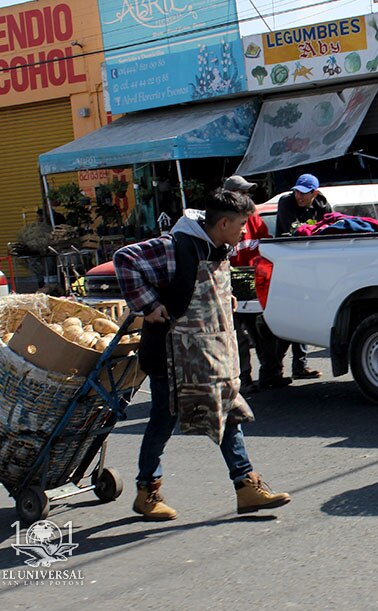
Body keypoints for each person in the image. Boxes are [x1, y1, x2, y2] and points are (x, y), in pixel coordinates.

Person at [114, 188, 292, 520]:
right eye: (241, 224)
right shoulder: (175, 247)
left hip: (208, 356)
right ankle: (147, 491)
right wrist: (148, 306)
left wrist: (225, 303)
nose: (244, 231)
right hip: (172, 356)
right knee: (163, 421)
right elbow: (125, 259)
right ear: (223, 222)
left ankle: (246, 485)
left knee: (226, 413)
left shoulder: (219, 247)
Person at [261, 173, 331, 381]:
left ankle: (299, 366)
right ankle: (271, 371)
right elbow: (294, 230)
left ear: (314, 193)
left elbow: (330, 229)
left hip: (311, 268)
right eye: (297, 191)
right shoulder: (286, 203)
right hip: (287, 266)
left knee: (303, 318)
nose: (299, 196)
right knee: (286, 320)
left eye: (304, 192)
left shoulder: (322, 204)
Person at [223, 175, 276, 393]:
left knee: (262, 332)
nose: (247, 197)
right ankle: (243, 378)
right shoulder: (223, 220)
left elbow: (265, 240)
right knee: (237, 337)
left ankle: (270, 373)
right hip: (231, 285)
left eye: (247, 193)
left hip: (253, 282)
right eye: (242, 193)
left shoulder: (253, 215)